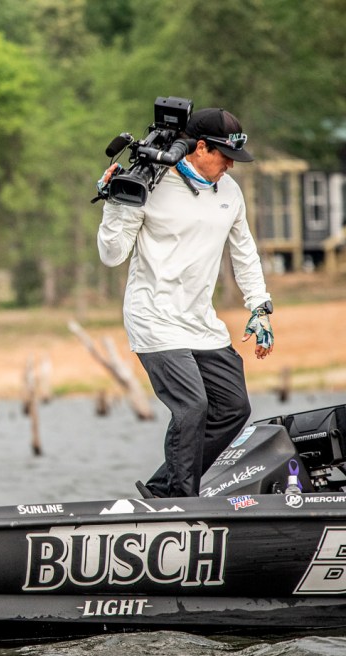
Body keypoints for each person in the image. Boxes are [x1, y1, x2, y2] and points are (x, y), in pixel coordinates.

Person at [97, 107, 275, 498]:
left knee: (232, 407)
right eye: (225, 156)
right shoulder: (151, 183)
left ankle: (164, 491)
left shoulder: (230, 191)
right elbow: (112, 255)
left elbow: (244, 252)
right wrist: (115, 204)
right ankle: (181, 499)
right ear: (200, 147)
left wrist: (259, 306)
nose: (231, 165)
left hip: (200, 323)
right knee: (192, 406)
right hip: (154, 318)